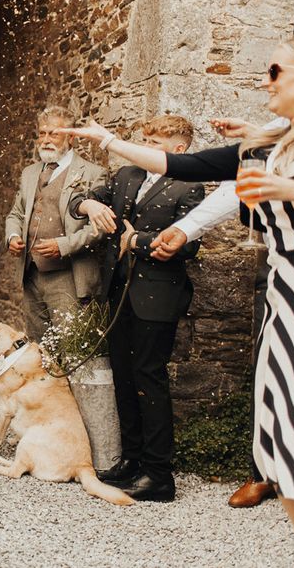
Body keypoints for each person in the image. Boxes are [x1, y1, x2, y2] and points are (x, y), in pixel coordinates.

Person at [62, 31, 294, 565]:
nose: (262, 82)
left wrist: (292, 190)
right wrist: (106, 140)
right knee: (288, 453)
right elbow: (195, 167)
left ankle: (159, 467)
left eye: (275, 72)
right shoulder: (278, 138)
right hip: (285, 300)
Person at [153, 116, 288, 509]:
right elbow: (239, 184)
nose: (268, 83)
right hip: (282, 262)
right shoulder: (278, 127)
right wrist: (186, 228)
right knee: (268, 364)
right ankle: (264, 471)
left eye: (277, 75)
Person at [70, 115, 204, 502]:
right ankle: (131, 461)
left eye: (156, 143)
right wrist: (89, 204)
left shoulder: (190, 185)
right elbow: (80, 199)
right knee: (125, 377)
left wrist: (138, 241)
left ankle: (159, 475)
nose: (146, 148)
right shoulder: (127, 175)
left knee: (149, 378)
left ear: (179, 149)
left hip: (158, 298)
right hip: (119, 293)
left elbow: (190, 243)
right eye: (144, 140)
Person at [5, 105, 106, 340]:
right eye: (42, 133)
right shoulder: (29, 173)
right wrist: (13, 236)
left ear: (71, 138)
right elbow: (16, 214)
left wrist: (63, 246)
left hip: (68, 275)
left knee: (71, 344)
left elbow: (99, 228)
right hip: (31, 274)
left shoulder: (93, 173)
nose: (46, 140)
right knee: (39, 345)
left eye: (54, 134)